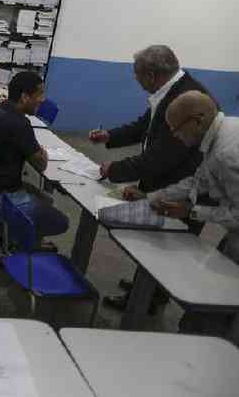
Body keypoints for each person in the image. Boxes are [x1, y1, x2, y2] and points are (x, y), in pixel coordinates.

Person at [87, 45, 210, 310]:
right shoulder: (168, 91)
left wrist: (116, 170)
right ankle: (146, 287)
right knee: (153, 245)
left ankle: (147, 302)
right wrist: (111, 136)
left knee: (165, 248)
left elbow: (163, 156)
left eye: (137, 75)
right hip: (166, 182)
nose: (135, 80)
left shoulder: (187, 99)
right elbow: (146, 126)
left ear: (152, 75)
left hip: (182, 187)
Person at [140, 91, 239, 338]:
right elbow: (197, 182)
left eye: (176, 129)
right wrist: (151, 197)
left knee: (218, 307)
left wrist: (192, 211)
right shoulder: (221, 134)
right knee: (214, 296)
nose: (174, 135)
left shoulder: (228, 153)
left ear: (197, 120)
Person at [0, 71, 69, 241]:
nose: (42, 99)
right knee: (61, 222)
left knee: (45, 198)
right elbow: (41, 164)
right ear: (25, 97)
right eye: (40, 94)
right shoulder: (19, 123)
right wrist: (42, 152)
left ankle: (10, 233)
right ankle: (6, 239)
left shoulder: (1, 109)